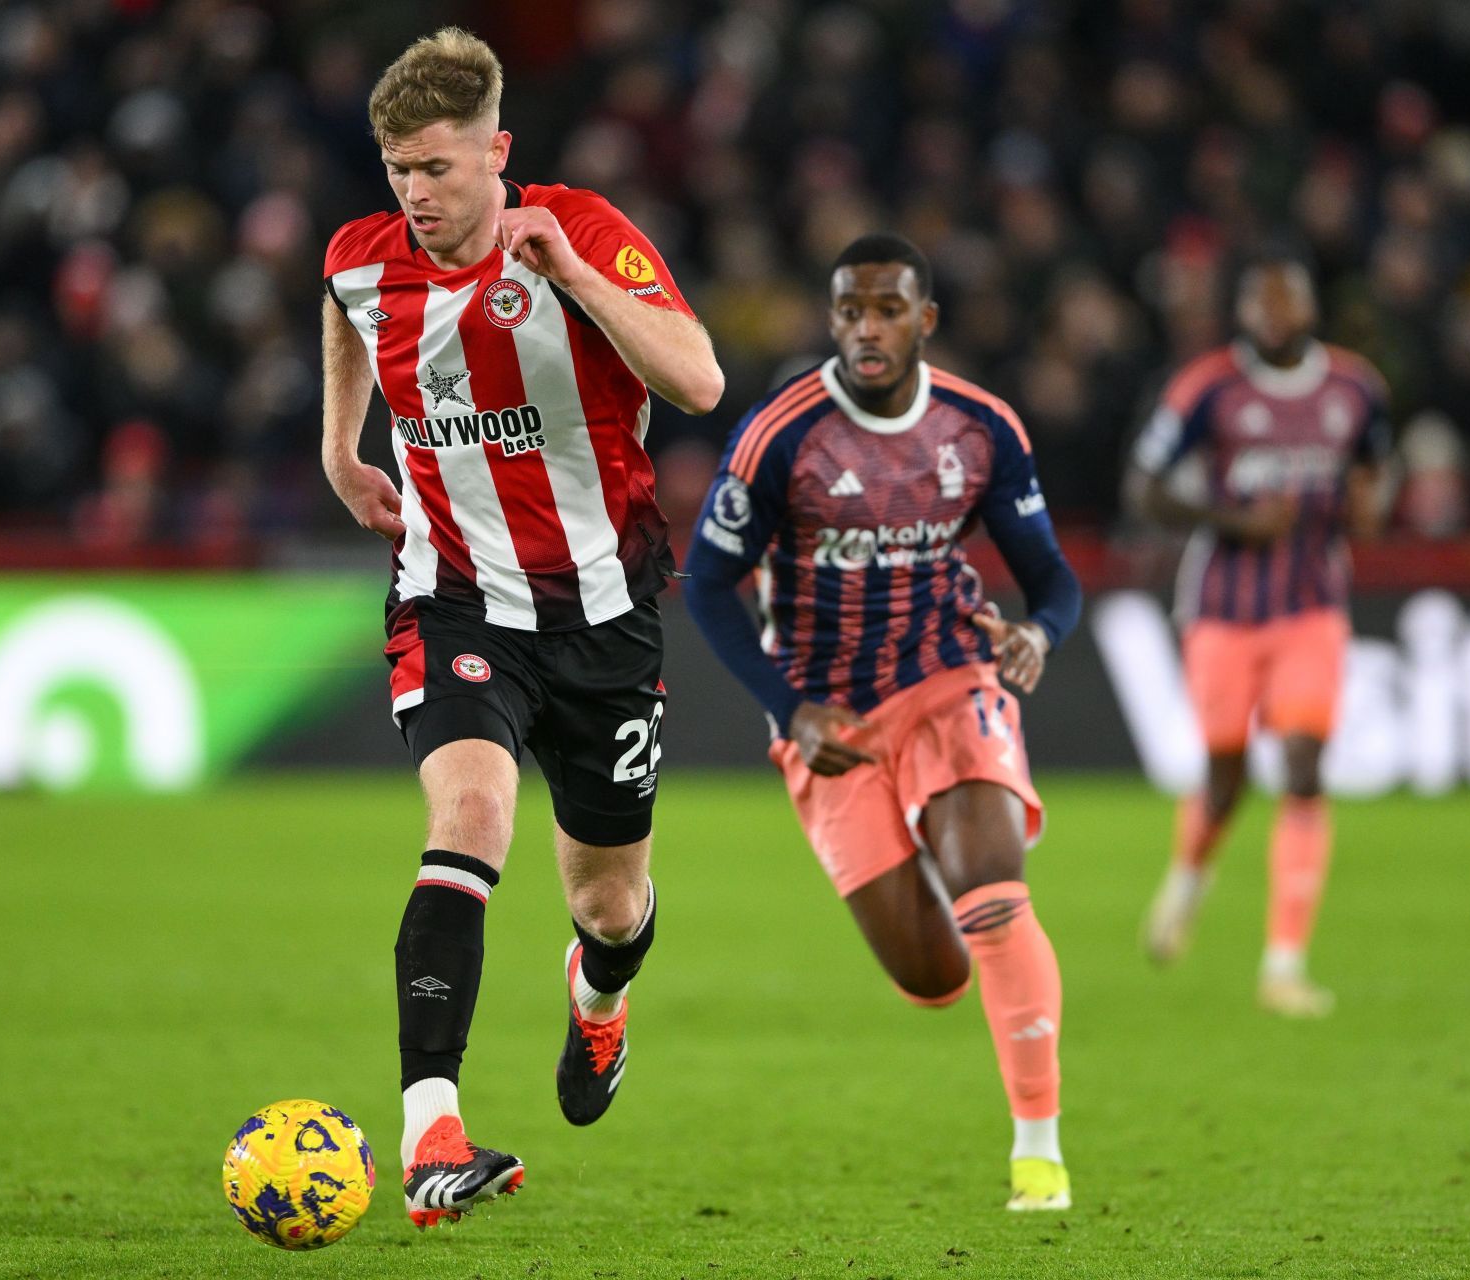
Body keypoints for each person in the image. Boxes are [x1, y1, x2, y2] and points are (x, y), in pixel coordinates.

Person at [319, 28, 724, 1229]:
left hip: (605, 615)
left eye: (437, 169)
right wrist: (341, 450)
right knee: (474, 812)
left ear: (498, 151)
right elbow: (342, 308)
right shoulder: (366, 258)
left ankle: (599, 998)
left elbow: (699, 380)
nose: (416, 196)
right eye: (398, 171)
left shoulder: (580, 230)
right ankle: (430, 1129)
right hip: (453, 599)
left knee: (610, 902)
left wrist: (577, 282)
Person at [683, 233, 1083, 1212]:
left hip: (951, 674)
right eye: (851, 310)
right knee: (934, 976)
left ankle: (1040, 1148)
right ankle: (943, 896)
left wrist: (1039, 634)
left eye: (888, 309)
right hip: (832, 719)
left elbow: (1053, 581)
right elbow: (705, 583)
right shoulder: (782, 433)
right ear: (833, 319)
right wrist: (786, 704)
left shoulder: (980, 427)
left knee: (993, 890)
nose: (867, 328)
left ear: (925, 320)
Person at [1129, 248, 1390, 1017]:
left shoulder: (1355, 386)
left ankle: (1284, 964)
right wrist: (1231, 520)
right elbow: (1143, 489)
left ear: (1310, 306)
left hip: (1313, 603)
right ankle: (1187, 878)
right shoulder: (1207, 388)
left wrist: (1371, 505)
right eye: (1260, 303)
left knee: (1305, 767)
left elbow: (1375, 467)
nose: (1274, 315)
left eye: (1288, 301)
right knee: (1225, 779)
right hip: (1221, 608)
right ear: (1243, 311)